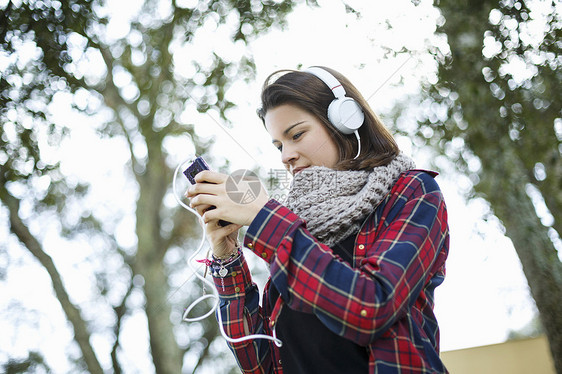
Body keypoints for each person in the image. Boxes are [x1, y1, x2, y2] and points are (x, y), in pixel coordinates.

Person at [187, 66, 449, 374]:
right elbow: (262, 366)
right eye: (279, 146)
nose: (286, 155)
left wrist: (264, 217)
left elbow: (373, 306)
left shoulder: (412, 192)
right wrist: (228, 255)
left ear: (345, 121)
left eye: (296, 135)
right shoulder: (293, 228)